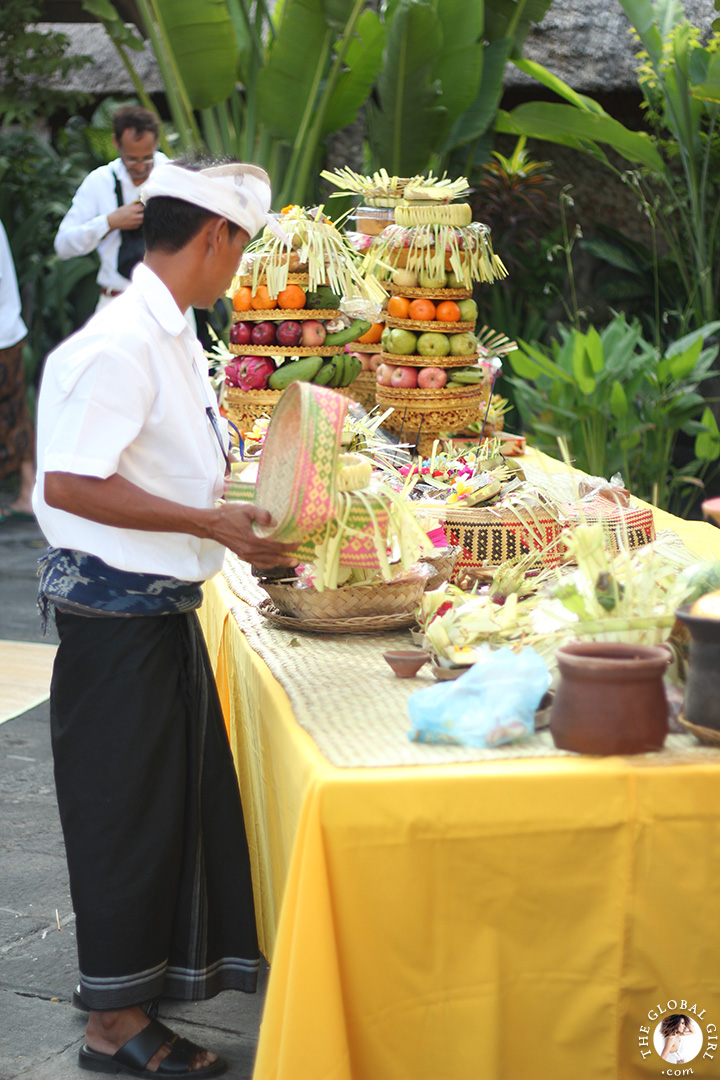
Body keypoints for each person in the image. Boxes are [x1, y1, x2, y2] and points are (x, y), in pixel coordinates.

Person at [33, 158, 298, 1078]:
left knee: (158, 814)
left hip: (157, 612)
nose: (240, 266)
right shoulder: (117, 344)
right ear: (218, 235)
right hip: (116, 623)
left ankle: (136, 1001)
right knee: (123, 818)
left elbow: (169, 468)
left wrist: (241, 512)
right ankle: (113, 1028)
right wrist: (202, 520)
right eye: (243, 247)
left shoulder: (174, 333)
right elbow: (67, 479)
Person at [54, 105, 167, 310]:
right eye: (132, 159)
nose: (141, 168)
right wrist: (108, 222)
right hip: (115, 304)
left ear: (157, 144)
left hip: (167, 304)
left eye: (147, 159)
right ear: (116, 143)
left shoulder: (174, 176)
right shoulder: (99, 181)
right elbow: (63, 246)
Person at [0, 216, 34, 521]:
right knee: (14, 412)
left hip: (3, 337)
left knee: (12, 413)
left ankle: (27, 492)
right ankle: (27, 491)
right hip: (7, 333)